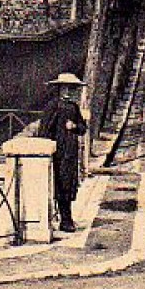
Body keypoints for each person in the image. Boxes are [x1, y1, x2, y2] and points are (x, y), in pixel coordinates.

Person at [38, 72, 89, 233]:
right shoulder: (53, 106)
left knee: (69, 185)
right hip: (58, 153)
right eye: (65, 88)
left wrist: (74, 126)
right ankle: (64, 220)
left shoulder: (73, 107)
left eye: (71, 89)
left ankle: (66, 218)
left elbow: (83, 129)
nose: (68, 92)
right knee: (61, 186)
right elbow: (45, 130)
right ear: (59, 89)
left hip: (71, 153)